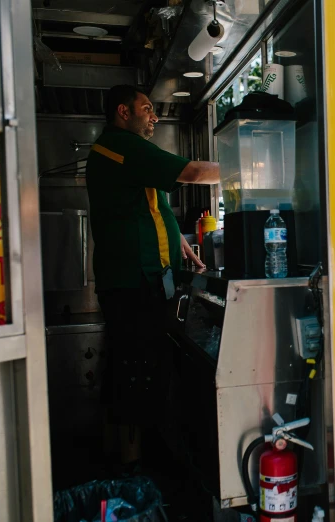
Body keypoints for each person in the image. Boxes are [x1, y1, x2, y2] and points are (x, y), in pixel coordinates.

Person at [86, 84, 220, 472]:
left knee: (132, 370)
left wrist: (178, 241)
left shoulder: (123, 152)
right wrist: (251, 165)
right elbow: (193, 172)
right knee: (136, 375)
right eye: (146, 108)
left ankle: (129, 466)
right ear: (123, 112)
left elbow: (150, 208)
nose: (154, 116)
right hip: (132, 284)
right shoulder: (120, 145)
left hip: (136, 280)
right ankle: (132, 475)